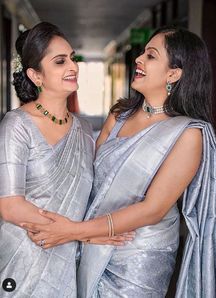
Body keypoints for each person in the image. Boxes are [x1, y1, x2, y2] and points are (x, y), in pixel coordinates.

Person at [22, 27, 216, 297]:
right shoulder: (119, 116)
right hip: (91, 241)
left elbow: (152, 209)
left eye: (150, 56)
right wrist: (80, 233)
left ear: (173, 73)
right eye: (142, 53)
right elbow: (89, 181)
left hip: (138, 257)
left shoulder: (188, 134)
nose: (139, 59)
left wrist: (73, 231)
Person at [0, 22, 132, 298]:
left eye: (72, 58)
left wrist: (77, 232)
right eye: (60, 61)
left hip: (67, 261)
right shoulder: (17, 125)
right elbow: (10, 206)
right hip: (23, 256)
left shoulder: (83, 129)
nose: (72, 67)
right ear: (36, 75)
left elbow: (90, 193)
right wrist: (82, 233)